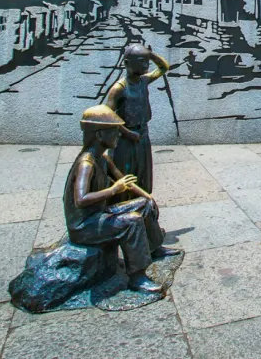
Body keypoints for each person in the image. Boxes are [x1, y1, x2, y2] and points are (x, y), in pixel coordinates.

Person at [64, 105, 181, 293]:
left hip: (98, 214)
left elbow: (123, 180)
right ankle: (137, 277)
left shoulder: (102, 158)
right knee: (132, 222)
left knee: (144, 205)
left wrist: (147, 197)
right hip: (84, 225)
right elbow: (81, 199)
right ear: (99, 135)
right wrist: (113, 190)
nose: (119, 134)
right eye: (114, 131)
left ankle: (154, 247)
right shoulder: (87, 163)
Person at [103, 43, 170, 198]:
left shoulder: (143, 81)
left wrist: (150, 54)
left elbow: (164, 67)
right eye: (141, 61)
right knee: (124, 174)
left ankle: (141, 201)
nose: (146, 65)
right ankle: (122, 202)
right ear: (127, 63)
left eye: (147, 61)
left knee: (142, 173)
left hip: (142, 135)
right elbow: (107, 116)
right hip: (124, 140)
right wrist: (127, 133)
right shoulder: (119, 89)